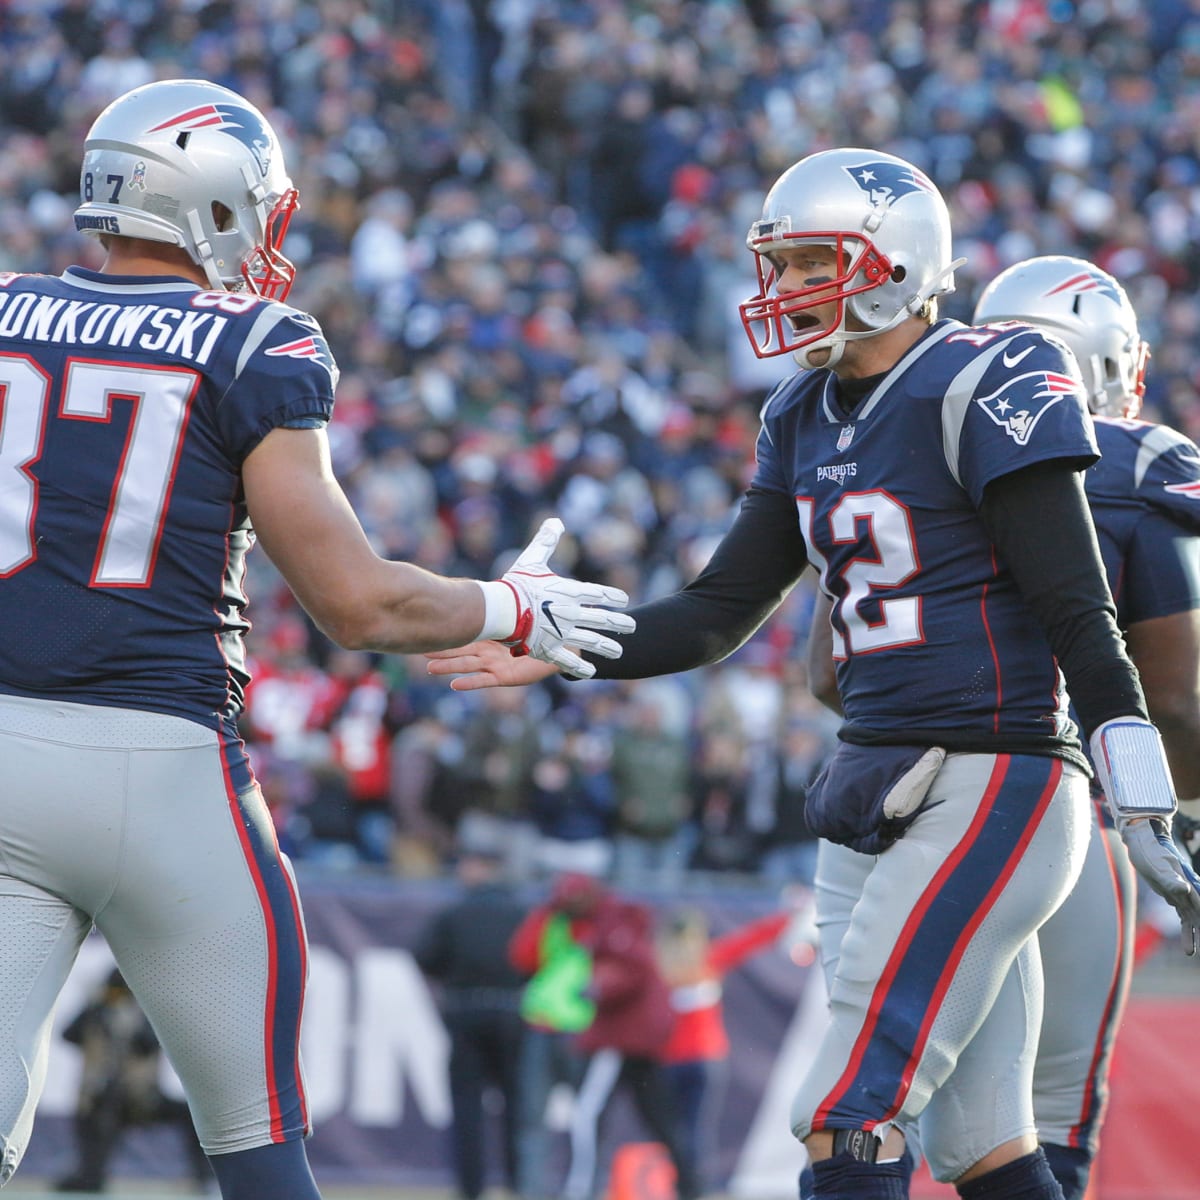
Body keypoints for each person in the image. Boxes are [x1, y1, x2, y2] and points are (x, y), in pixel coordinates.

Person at [427, 146, 1200, 1200]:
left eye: (806, 263)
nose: (782, 290)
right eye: (779, 264)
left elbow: (1078, 611)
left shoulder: (985, 376)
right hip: (869, 782)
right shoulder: (801, 412)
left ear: (890, 265)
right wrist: (563, 641)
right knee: (984, 1146)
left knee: (847, 1115)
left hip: (995, 777)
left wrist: (1148, 792)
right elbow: (712, 615)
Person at [0, 77, 632, 1200]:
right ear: (208, 203)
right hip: (165, 770)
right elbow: (356, 603)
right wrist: (510, 604)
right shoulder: (251, 341)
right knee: (258, 1149)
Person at [413, 828, 529, 1200]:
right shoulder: (522, 913)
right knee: (517, 1107)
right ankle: (519, 1184)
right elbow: (540, 959)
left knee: (467, 1109)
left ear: (482, 867)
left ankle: (471, 1190)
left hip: (466, 1013)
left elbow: (424, 957)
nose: (462, 870)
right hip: (514, 1015)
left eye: (467, 863)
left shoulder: (456, 914)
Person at [55, 969, 213, 1194]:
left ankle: (203, 1176)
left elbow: (148, 1042)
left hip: (141, 1097)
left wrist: (131, 1022)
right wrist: (95, 1006)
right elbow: (68, 1035)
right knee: (96, 1117)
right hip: (101, 1098)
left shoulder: (146, 1013)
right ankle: (90, 1174)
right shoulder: (97, 1013)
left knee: (191, 1114)